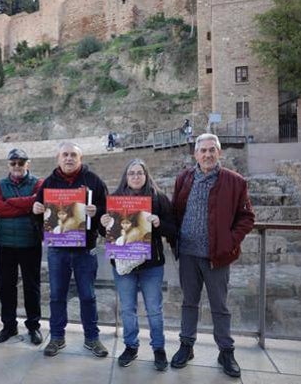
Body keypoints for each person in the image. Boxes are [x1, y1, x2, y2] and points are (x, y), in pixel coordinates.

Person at [170, 133, 255, 378]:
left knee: (220, 305)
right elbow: (175, 210)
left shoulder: (234, 181)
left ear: (219, 153)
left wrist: (229, 241)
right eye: (203, 150)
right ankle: (187, 346)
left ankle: (226, 351)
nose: (207, 154)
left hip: (216, 256)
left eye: (212, 150)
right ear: (195, 154)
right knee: (189, 302)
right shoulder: (184, 178)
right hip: (187, 254)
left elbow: (247, 217)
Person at [32, 142, 109, 358]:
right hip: (58, 250)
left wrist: (98, 212)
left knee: (88, 296)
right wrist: (36, 210)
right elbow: (39, 217)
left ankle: (92, 338)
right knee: (57, 295)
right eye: (65, 155)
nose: (69, 158)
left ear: (80, 159)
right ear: (58, 158)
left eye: (73, 155)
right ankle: (57, 337)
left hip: (85, 250)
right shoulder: (48, 183)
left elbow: (109, 213)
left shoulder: (93, 181)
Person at [99, 158, 176, 369]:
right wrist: (103, 223)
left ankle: (158, 349)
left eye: (139, 173)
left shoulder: (158, 198)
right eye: (131, 173)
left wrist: (159, 223)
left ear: (146, 175)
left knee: (154, 309)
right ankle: (131, 346)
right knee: (128, 309)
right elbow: (104, 232)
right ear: (126, 176)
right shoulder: (114, 199)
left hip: (151, 265)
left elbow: (172, 228)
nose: (135, 177)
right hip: (123, 265)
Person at [0, 148, 44, 345]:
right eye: (13, 163)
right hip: (5, 244)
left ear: (27, 164)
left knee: (32, 287)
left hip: (30, 243)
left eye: (21, 163)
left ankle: (33, 327)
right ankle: (9, 326)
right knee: (6, 287)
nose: (17, 166)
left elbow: (38, 202)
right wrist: (26, 206)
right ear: (8, 165)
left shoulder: (38, 183)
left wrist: (11, 203)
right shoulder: (0, 185)